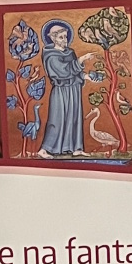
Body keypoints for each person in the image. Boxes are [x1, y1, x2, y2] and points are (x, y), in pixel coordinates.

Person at [37, 19, 93, 159]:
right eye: (61, 37)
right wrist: (81, 60)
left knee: (74, 119)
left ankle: (76, 148)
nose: (64, 40)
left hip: (74, 89)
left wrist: (85, 76)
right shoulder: (50, 55)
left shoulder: (70, 52)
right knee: (57, 120)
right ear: (53, 38)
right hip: (61, 91)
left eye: (65, 37)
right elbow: (63, 71)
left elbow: (74, 72)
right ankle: (44, 149)